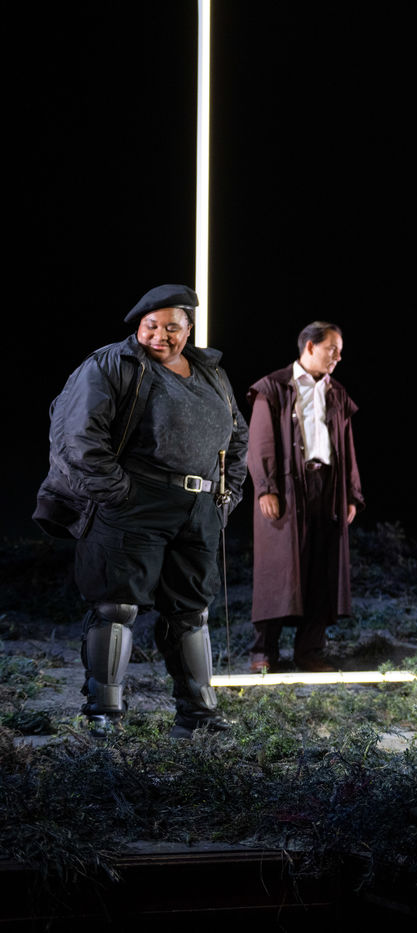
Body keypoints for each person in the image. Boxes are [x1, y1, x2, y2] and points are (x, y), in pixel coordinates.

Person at [34, 284, 247, 738]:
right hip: (134, 503)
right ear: (139, 326)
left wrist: (226, 496)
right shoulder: (111, 364)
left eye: (172, 327)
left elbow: (237, 437)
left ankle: (198, 715)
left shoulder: (211, 373)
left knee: (191, 611)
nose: (160, 336)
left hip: (198, 507)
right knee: (116, 606)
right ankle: (104, 716)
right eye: (152, 326)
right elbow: (78, 435)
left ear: (188, 329)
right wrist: (118, 493)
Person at [246, 322, 364, 673]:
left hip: (327, 486)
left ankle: (309, 651)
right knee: (278, 567)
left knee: (321, 567)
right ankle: (263, 652)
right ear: (310, 347)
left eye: (339, 351)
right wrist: (266, 487)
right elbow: (260, 442)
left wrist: (351, 493)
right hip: (287, 487)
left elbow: (346, 446)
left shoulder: (336, 392)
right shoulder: (273, 387)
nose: (338, 357)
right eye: (332, 349)